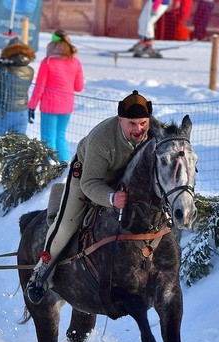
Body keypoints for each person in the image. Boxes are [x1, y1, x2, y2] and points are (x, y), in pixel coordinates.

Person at [26, 90, 154, 304]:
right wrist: (112, 198)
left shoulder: (152, 131)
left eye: (143, 123)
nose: (138, 129)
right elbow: (89, 184)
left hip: (125, 176)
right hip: (89, 175)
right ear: (120, 119)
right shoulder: (101, 139)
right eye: (131, 124)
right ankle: (40, 274)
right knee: (67, 224)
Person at [28, 29, 85, 163]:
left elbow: (39, 87)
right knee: (60, 137)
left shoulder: (48, 62)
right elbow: (79, 87)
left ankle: (48, 167)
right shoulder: (75, 62)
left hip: (49, 106)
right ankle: (65, 167)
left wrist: (32, 106)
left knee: (48, 138)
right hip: (66, 107)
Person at [0, 38, 36, 138]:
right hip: (22, 112)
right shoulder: (30, 70)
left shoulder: (2, 68)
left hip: (2, 111)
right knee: (18, 149)